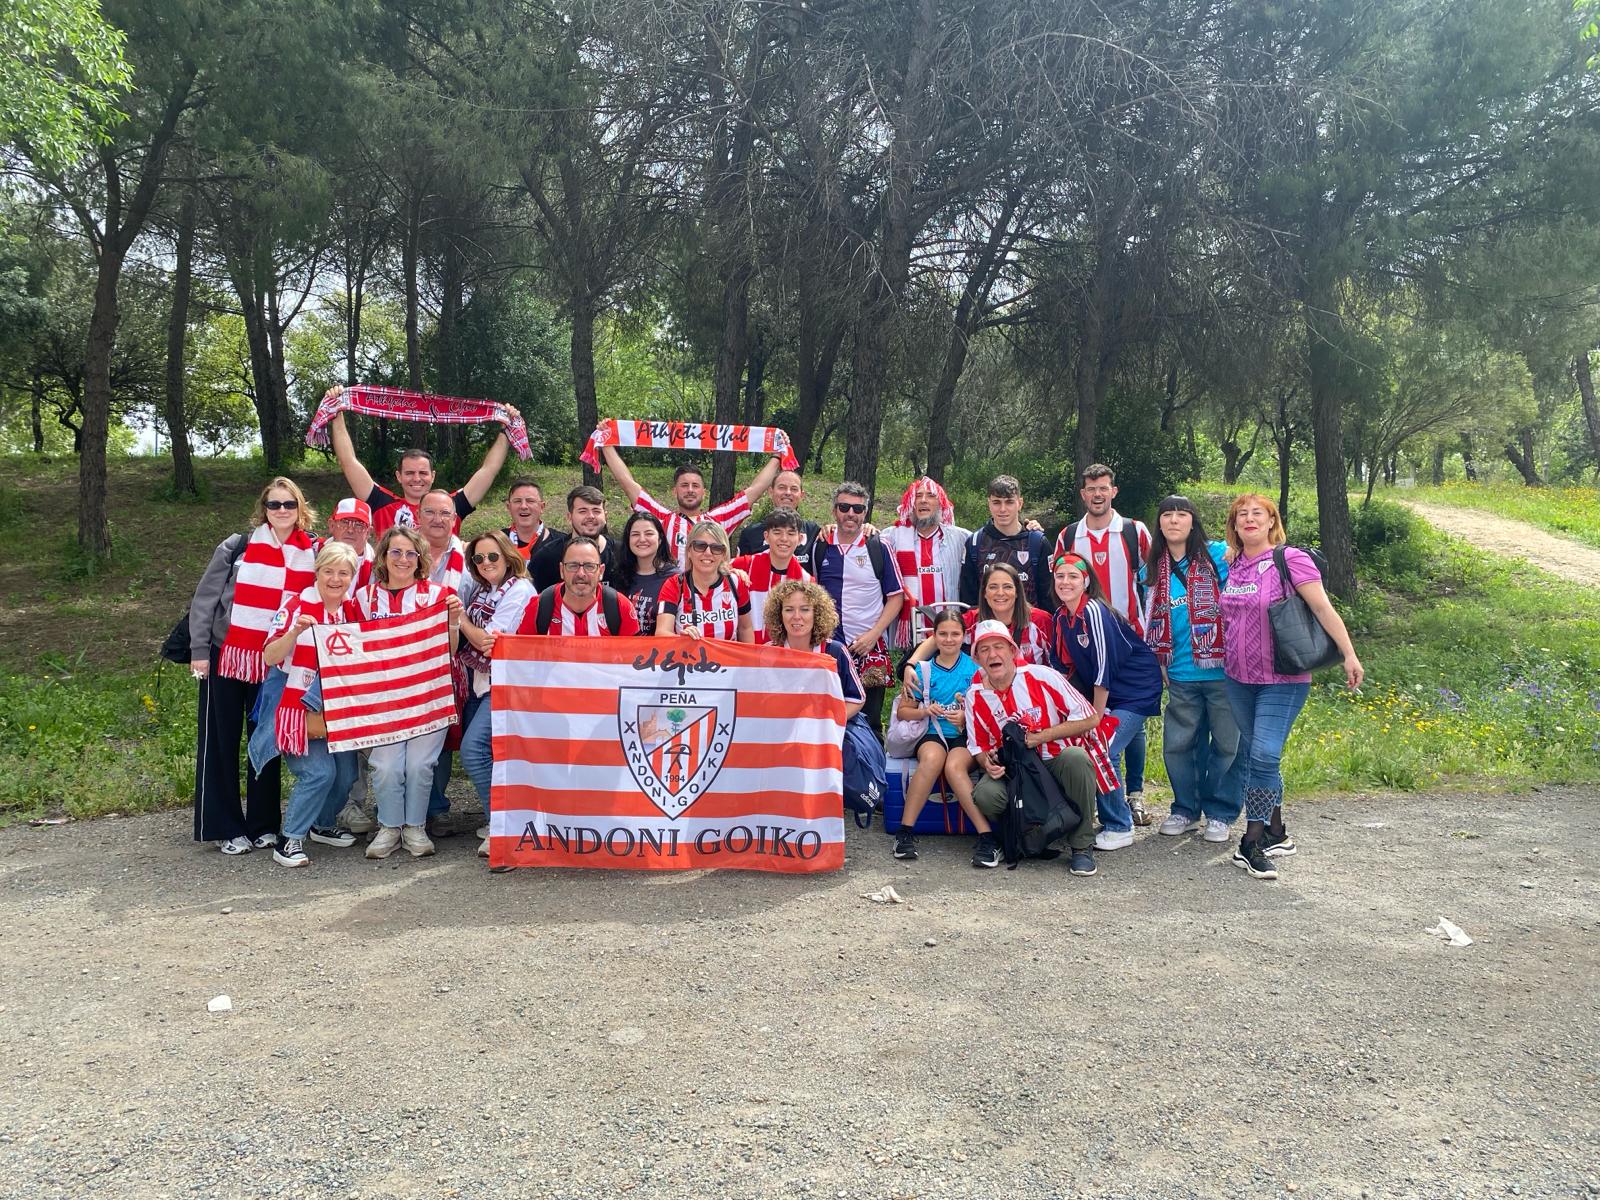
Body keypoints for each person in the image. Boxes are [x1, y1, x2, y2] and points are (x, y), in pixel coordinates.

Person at [1220, 493, 1363, 881]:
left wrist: (1348, 654)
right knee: (1256, 755)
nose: (1249, 520)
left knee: (1265, 755)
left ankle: (1251, 842)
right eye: (1241, 515)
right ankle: (1278, 831)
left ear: (1271, 522)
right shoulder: (1232, 565)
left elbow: (1322, 608)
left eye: (1258, 514)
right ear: (1234, 526)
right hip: (1237, 677)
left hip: (1282, 678)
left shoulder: (1290, 559)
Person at [189, 477, 317, 855]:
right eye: (274, 505)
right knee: (221, 741)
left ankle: (263, 824)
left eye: (288, 504)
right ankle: (225, 826)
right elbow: (205, 600)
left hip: (276, 659)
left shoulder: (311, 550)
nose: (281, 511)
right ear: (264, 509)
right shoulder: (237, 546)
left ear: (300, 509)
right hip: (227, 653)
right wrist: (199, 650)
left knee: (265, 740)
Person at [964, 620, 1108, 878]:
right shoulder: (975, 696)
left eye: (998, 647)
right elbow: (978, 746)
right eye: (984, 650)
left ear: (1012, 650)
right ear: (977, 659)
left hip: (1054, 760)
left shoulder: (1042, 676)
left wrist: (1043, 736)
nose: (992, 654)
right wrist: (988, 763)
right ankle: (1021, 836)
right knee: (985, 794)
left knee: (1077, 758)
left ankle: (1081, 845)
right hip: (1016, 771)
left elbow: (1090, 718)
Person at [256, 541, 365, 867]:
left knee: (346, 775)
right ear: (317, 573)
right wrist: (293, 633)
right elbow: (269, 655)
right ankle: (289, 840)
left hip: (338, 709)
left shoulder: (350, 610)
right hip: (297, 707)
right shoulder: (296, 605)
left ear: (351, 577)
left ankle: (323, 824)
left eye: (343, 573)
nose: (335, 579)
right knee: (318, 772)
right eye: (328, 571)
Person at [356, 526, 463, 859]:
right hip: (382, 699)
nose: (403, 559)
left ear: (421, 559)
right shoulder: (365, 597)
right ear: (383, 557)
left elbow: (450, 649)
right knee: (386, 766)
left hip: (428, 694)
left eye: (410, 553)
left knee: (420, 764)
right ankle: (389, 827)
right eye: (395, 552)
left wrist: (454, 623)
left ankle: (414, 827)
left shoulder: (437, 595)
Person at [1054, 463, 1154, 817]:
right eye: (1091, 489)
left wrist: (1154, 632)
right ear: (1083, 495)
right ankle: (1103, 793)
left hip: (1130, 643)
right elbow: (1061, 582)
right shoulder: (1068, 536)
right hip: (1087, 645)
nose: (1097, 494)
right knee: (1098, 715)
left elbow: (1155, 581)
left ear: (1114, 491)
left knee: (1130, 717)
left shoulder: (1134, 531)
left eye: (1103, 488)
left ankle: (1136, 793)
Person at [1143, 495, 1241, 843]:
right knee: (1179, 745)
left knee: (1227, 745)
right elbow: (1147, 617)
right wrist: (1158, 660)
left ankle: (1221, 812)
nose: (1173, 520)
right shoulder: (1152, 567)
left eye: (1181, 514)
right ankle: (1185, 808)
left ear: (1192, 521)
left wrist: (1236, 549)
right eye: (1166, 514)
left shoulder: (1220, 555)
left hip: (1223, 672)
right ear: (1159, 523)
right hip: (1181, 673)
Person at [1049, 552, 1164, 850]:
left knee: (1103, 748)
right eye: (1060, 576)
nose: (1065, 582)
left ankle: (1119, 825)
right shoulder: (1060, 617)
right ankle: (1106, 811)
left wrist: (1094, 718)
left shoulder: (1094, 611)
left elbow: (1103, 668)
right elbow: (1061, 670)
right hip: (1111, 692)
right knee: (1095, 745)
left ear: (1086, 581)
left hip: (1135, 688)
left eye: (1073, 576)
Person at [763, 578, 886, 821]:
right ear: (779, 614)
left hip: (826, 732)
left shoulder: (834, 651)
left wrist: (826, 721)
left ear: (816, 613)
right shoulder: (768, 652)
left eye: (804, 609)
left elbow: (856, 699)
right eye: (789, 609)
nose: (796, 617)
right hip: (781, 733)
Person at [322, 388, 520, 534]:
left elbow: (489, 470)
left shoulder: (451, 506)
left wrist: (505, 429)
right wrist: (336, 411)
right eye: (409, 473)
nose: (417, 478)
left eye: (423, 473)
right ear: (398, 476)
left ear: (433, 476)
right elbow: (348, 462)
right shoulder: (382, 503)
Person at [888, 608, 995, 867]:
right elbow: (904, 710)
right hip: (931, 732)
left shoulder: (975, 670)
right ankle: (905, 831)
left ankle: (987, 837)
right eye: (943, 634)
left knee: (954, 766)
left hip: (963, 736)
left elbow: (990, 711)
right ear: (934, 637)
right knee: (932, 760)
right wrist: (925, 710)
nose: (949, 639)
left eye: (955, 634)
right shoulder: (923, 671)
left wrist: (966, 714)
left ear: (964, 636)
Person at [455, 531, 536, 859]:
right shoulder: (483, 591)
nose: (486, 563)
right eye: (478, 558)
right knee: (492, 755)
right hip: (479, 681)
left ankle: (503, 825)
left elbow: (489, 641)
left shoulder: (519, 589)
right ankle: (503, 820)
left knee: (472, 751)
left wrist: (459, 619)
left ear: (507, 557)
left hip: (505, 683)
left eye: (493, 557)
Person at [811, 482, 905, 737]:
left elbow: (896, 598)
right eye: (844, 507)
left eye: (857, 508)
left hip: (868, 646)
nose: (850, 514)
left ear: (865, 513)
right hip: (829, 648)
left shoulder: (878, 545)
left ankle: (872, 773)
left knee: (870, 721)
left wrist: (874, 635)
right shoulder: (820, 545)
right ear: (834, 511)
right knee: (827, 715)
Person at [601, 447, 783, 565]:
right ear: (675, 491)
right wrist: (606, 445)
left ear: (704, 492)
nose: (690, 490)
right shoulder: (662, 519)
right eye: (684, 485)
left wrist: (777, 456)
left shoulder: (717, 520)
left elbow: (755, 490)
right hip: (670, 598)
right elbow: (628, 484)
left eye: (695, 486)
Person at [880, 477, 969, 656]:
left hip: (951, 635)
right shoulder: (892, 537)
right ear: (910, 504)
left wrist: (1027, 528)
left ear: (941, 503)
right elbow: (860, 540)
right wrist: (864, 527)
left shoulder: (962, 538)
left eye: (930, 496)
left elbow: (992, 542)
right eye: (917, 496)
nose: (923, 500)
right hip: (911, 635)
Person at [513, 536, 641, 636]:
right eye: (573, 566)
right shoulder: (539, 607)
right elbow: (518, 656)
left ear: (601, 571)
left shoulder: (619, 607)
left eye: (589, 566)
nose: (581, 573)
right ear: (562, 570)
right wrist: (497, 645)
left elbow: (635, 659)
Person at [960, 474, 1051, 611]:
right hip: (989, 628)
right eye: (997, 502)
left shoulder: (1037, 543)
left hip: (1030, 627)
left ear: (1019, 503)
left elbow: (1048, 598)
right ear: (989, 504)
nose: (1002, 509)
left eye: (1009, 502)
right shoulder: (975, 543)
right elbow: (968, 599)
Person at [655, 520, 755, 642]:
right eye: (700, 546)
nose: (708, 553)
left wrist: (749, 661)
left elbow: (745, 628)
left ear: (724, 554)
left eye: (716, 548)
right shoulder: (675, 584)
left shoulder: (736, 582)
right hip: (686, 659)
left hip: (727, 661)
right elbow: (661, 633)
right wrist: (681, 639)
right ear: (689, 551)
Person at [729, 508, 810, 644]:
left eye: (791, 533)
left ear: (800, 538)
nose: (784, 539)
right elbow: (715, 568)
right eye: (777, 532)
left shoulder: (805, 580)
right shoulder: (745, 564)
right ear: (766, 536)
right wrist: (729, 571)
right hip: (745, 653)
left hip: (783, 657)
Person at [529, 485, 616, 591]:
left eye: (596, 511)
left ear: (605, 517)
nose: (591, 516)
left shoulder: (621, 554)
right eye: (583, 511)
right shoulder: (547, 557)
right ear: (569, 517)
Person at [736, 468, 822, 567]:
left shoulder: (813, 531)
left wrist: (832, 528)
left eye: (794, 489)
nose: (788, 493)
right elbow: (740, 575)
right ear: (771, 492)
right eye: (782, 487)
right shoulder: (750, 533)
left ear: (801, 495)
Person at [613, 511, 679, 632]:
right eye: (635, 534)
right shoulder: (619, 575)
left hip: (660, 649)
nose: (642, 539)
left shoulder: (675, 578)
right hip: (624, 648)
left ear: (660, 539)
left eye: (649, 533)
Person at [502, 477, 554, 560]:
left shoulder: (561, 543)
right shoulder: (496, 542)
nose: (523, 506)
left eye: (530, 501)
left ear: (542, 507)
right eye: (517, 501)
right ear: (509, 507)